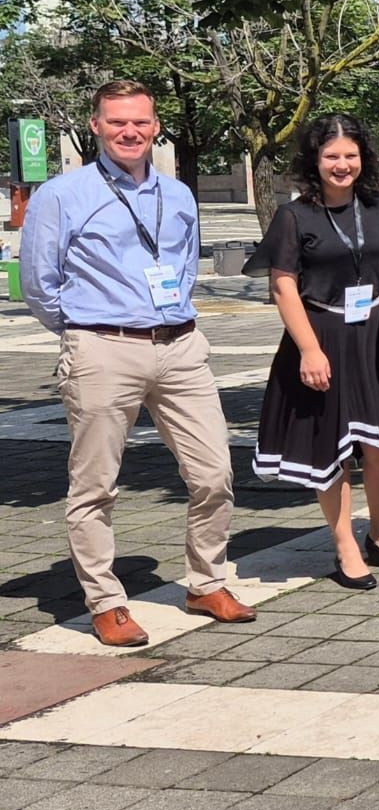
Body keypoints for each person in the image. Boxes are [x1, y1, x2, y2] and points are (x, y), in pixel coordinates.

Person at [20, 79, 254, 647]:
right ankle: (105, 600)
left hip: (180, 346)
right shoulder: (61, 194)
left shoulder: (175, 194)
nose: (130, 132)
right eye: (117, 122)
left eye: (141, 122)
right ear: (95, 125)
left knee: (214, 473)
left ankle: (205, 581)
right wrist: (86, 330)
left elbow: (182, 264)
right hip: (103, 347)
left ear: (156, 127)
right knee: (95, 485)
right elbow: (38, 283)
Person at [251, 114, 379, 590]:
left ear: (363, 158)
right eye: (331, 156)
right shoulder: (295, 215)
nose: (341, 165)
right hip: (319, 334)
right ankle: (345, 543)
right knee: (334, 450)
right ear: (314, 160)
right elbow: (282, 285)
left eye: (350, 155)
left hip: (371, 336)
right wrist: (308, 350)